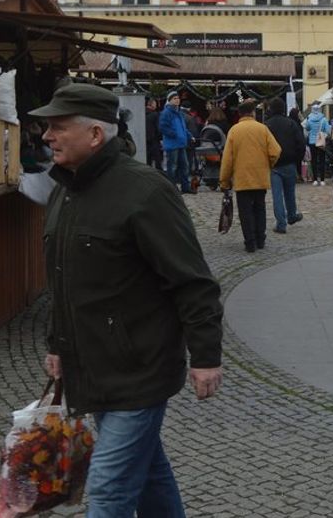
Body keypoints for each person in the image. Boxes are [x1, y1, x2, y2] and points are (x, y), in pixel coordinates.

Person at [29, 84, 223, 516]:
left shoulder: (146, 191)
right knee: (149, 473)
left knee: (109, 489)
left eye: (59, 126)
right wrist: (58, 345)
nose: (47, 136)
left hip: (140, 370)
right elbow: (63, 279)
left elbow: (192, 281)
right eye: (47, 126)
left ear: (95, 135)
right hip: (92, 367)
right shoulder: (64, 189)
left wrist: (206, 355)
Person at [219, 101, 282, 253]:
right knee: (260, 209)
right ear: (253, 112)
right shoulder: (263, 129)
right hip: (260, 177)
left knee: (245, 212)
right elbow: (276, 151)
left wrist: (224, 181)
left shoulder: (234, 131)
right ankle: (261, 239)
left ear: (240, 114)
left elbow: (227, 159)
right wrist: (268, 165)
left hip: (242, 179)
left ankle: (250, 242)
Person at [264, 98, 305, 233]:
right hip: (290, 162)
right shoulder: (291, 123)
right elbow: (300, 143)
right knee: (289, 192)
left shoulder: (267, 125)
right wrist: (297, 160)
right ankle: (292, 215)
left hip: (274, 165)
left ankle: (281, 223)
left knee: (277, 196)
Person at [159, 93, 192, 193]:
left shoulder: (179, 113)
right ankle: (171, 188)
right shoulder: (166, 113)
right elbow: (163, 127)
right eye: (174, 98)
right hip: (172, 144)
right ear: (170, 100)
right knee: (172, 167)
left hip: (181, 143)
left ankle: (185, 187)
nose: (177, 100)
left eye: (178, 98)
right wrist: (174, 134)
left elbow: (183, 128)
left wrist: (190, 136)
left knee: (184, 166)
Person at [303, 101, 331, 186]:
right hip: (321, 142)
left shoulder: (309, 118)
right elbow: (327, 131)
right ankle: (322, 179)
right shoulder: (323, 119)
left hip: (312, 142)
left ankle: (315, 179)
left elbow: (307, 128)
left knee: (314, 161)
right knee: (322, 160)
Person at [144, 97, 163, 170]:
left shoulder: (142, 113)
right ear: (152, 104)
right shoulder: (155, 115)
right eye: (155, 104)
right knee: (157, 160)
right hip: (154, 140)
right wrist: (160, 138)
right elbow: (158, 128)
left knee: (148, 160)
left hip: (145, 140)